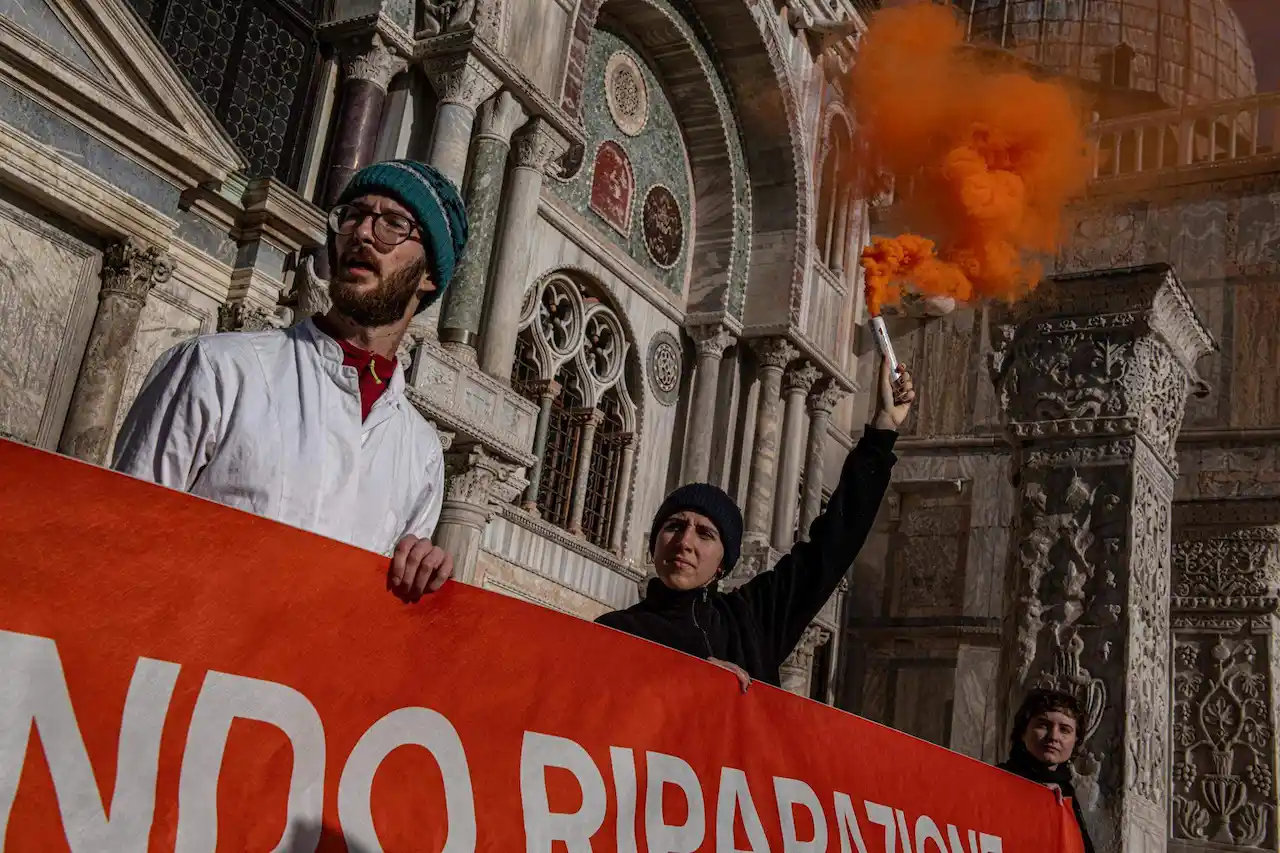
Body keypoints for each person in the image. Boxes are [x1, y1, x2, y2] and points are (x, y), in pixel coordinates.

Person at [113, 159, 464, 602]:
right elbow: (122, 540)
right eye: (352, 215)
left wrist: (422, 576)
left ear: (430, 274)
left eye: (393, 224)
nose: (362, 233)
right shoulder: (217, 368)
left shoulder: (422, 452)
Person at [594, 358, 915, 690]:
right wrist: (683, 673)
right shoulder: (613, 633)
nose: (685, 542)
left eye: (705, 533)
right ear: (656, 542)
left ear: (723, 564)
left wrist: (883, 428)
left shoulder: (753, 621)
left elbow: (833, 544)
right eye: (674, 526)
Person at [998, 688, 1096, 853]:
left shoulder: (1068, 795)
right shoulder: (994, 779)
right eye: (1043, 725)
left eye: (1064, 730)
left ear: (1075, 741)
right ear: (1023, 732)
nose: (1054, 736)